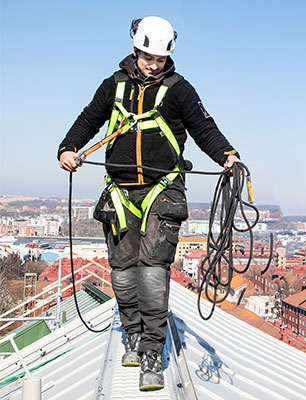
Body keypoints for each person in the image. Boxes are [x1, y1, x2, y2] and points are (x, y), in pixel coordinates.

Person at [57, 16, 239, 391]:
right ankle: (133, 334)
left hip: (163, 190)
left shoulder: (180, 90)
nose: (153, 64)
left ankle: (153, 352)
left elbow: (204, 127)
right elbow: (89, 118)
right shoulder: (114, 86)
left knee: (153, 272)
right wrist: (68, 147)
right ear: (135, 50)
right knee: (123, 272)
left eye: (159, 59)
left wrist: (227, 155)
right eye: (147, 57)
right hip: (120, 193)